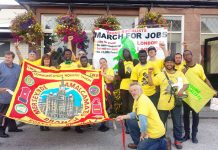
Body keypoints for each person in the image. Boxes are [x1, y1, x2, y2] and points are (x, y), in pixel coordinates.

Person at [148, 56, 189, 149]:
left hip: (176, 102)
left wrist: (181, 91)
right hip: (163, 103)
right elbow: (151, 83)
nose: (169, 64)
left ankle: (178, 140)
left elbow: (186, 84)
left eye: (171, 62)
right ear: (164, 64)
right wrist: (149, 74)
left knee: (177, 123)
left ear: (174, 64)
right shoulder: (161, 74)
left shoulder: (179, 73)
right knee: (161, 123)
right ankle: (161, 140)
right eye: (167, 62)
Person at [116, 82, 166, 150]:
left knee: (141, 148)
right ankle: (138, 143)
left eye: (135, 90)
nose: (133, 92)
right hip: (149, 127)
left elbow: (143, 121)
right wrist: (123, 117)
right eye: (131, 91)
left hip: (155, 133)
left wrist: (143, 134)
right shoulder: (137, 99)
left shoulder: (142, 100)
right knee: (130, 121)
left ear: (141, 90)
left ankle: (163, 143)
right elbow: (135, 113)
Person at [182, 50, 217, 144]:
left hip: (196, 95)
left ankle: (194, 135)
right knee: (185, 116)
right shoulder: (182, 68)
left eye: (188, 54)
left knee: (195, 116)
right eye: (184, 55)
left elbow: (205, 79)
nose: (186, 57)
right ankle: (186, 134)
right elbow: (179, 80)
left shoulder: (199, 67)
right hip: (186, 96)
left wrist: (212, 89)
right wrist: (183, 72)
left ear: (192, 55)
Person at [0, 51, 23, 138]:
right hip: (2, 95)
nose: (7, 59)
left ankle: (12, 128)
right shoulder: (0, 66)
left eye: (9, 57)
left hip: (14, 95)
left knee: (12, 111)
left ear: (13, 58)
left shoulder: (17, 67)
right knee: (3, 114)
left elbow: (22, 77)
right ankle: (1, 130)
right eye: (6, 57)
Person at [118, 48, 136, 134]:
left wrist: (130, 74)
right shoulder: (122, 62)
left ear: (129, 53)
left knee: (131, 106)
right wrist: (120, 63)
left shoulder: (134, 61)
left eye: (127, 52)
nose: (126, 53)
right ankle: (127, 126)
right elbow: (121, 74)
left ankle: (133, 124)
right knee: (125, 106)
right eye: (124, 52)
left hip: (133, 85)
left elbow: (137, 72)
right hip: (124, 85)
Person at [98, 58, 114, 132]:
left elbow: (111, 79)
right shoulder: (99, 70)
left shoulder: (110, 70)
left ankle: (105, 125)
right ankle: (102, 124)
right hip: (101, 91)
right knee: (102, 107)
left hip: (108, 90)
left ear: (106, 62)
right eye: (101, 63)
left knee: (107, 106)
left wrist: (103, 74)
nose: (102, 64)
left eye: (104, 62)